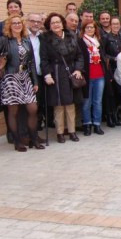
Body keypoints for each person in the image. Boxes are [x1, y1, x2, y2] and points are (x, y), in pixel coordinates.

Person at [0, 15, 41, 151]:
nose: (17, 25)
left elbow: (32, 64)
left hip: (25, 77)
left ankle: (33, 139)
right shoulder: (3, 41)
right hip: (10, 78)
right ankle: (18, 142)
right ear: (9, 26)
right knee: (13, 111)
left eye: (19, 23)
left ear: (22, 25)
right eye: (14, 23)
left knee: (33, 108)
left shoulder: (26, 40)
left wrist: (35, 81)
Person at [40, 13, 84, 143]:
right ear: (49, 25)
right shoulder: (45, 39)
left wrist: (78, 69)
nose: (56, 25)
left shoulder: (72, 36)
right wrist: (47, 74)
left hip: (71, 72)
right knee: (58, 105)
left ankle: (71, 131)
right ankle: (59, 132)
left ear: (62, 23)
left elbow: (80, 56)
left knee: (70, 104)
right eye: (53, 23)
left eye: (58, 22)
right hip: (56, 73)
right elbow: (43, 60)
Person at [78, 20, 110, 136]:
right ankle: (87, 124)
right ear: (84, 29)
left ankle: (97, 124)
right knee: (87, 101)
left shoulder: (98, 41)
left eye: (92, 27)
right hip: (87, 74)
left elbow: (103, 57)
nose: (90, 29)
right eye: (87, 28)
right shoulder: (81, 42)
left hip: (99, 75)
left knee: (98, 101)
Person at [103, 16, 121, 127]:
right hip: (111, 69)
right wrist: (113, 59)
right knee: (111, 94)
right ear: (110, 25)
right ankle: (110, 118)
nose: (116, 26)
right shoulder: (106, 37)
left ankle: (117, 116)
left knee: (119, 93)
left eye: (117, 24)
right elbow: (103, 53)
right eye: (114, 24)